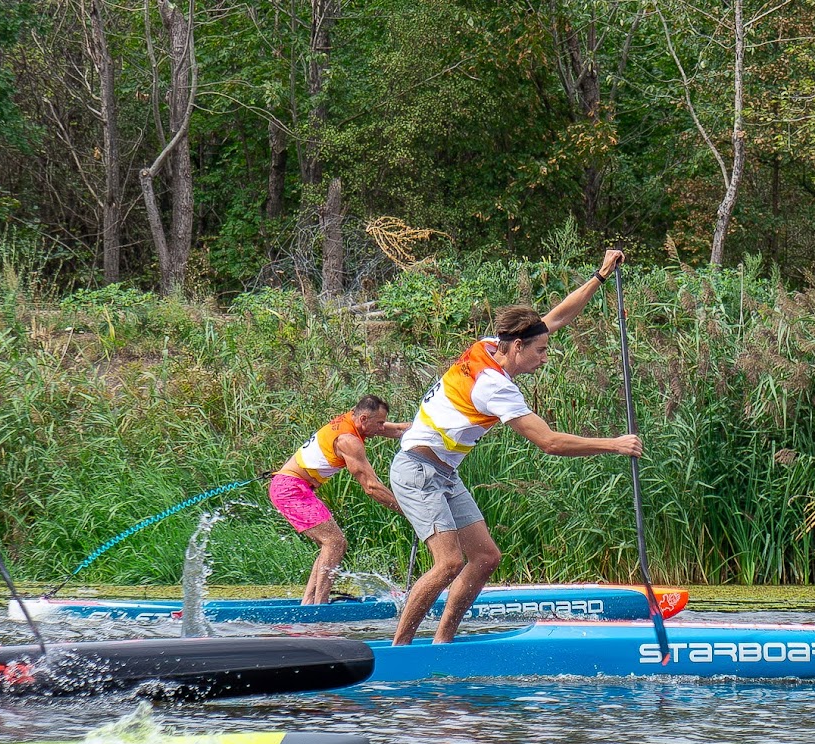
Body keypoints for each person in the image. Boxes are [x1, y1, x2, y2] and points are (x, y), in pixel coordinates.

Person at [390, 249, 642, 646]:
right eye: (540, 351)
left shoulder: (490, 345)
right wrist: (613, 444)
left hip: (443, 472)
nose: (545, 357)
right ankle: (399, 650)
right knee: (449, 562)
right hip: (417, 470)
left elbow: (554, 318)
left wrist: (600, 275)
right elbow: (550, 443)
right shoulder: (495, 388)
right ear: (518, 348)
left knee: (486, 558)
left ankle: (442, 644)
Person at [269, 395, 407, 605]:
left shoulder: (353, 420)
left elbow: (397, 429)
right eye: (378, 423)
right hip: (290, 488)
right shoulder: (348, 440)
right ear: (363, 419)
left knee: (331, 544)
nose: (381, 428)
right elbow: (371, 487)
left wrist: (432, 428)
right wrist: (408, 509)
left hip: (294, 487)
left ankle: (309, 603)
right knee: (334, 542)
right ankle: (320, 606)